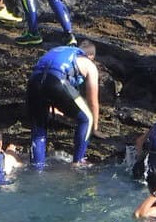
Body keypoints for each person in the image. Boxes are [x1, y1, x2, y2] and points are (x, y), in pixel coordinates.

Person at [25, 40, 100, 168]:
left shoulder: (60, 50)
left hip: (34, 81)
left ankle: (36, 167)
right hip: (56, 80)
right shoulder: (89, 64)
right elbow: (92, 101)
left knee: (39, 130)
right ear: (91, 57)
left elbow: (45, 79)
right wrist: (95, 127)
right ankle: (78, 162)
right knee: (87, 118)